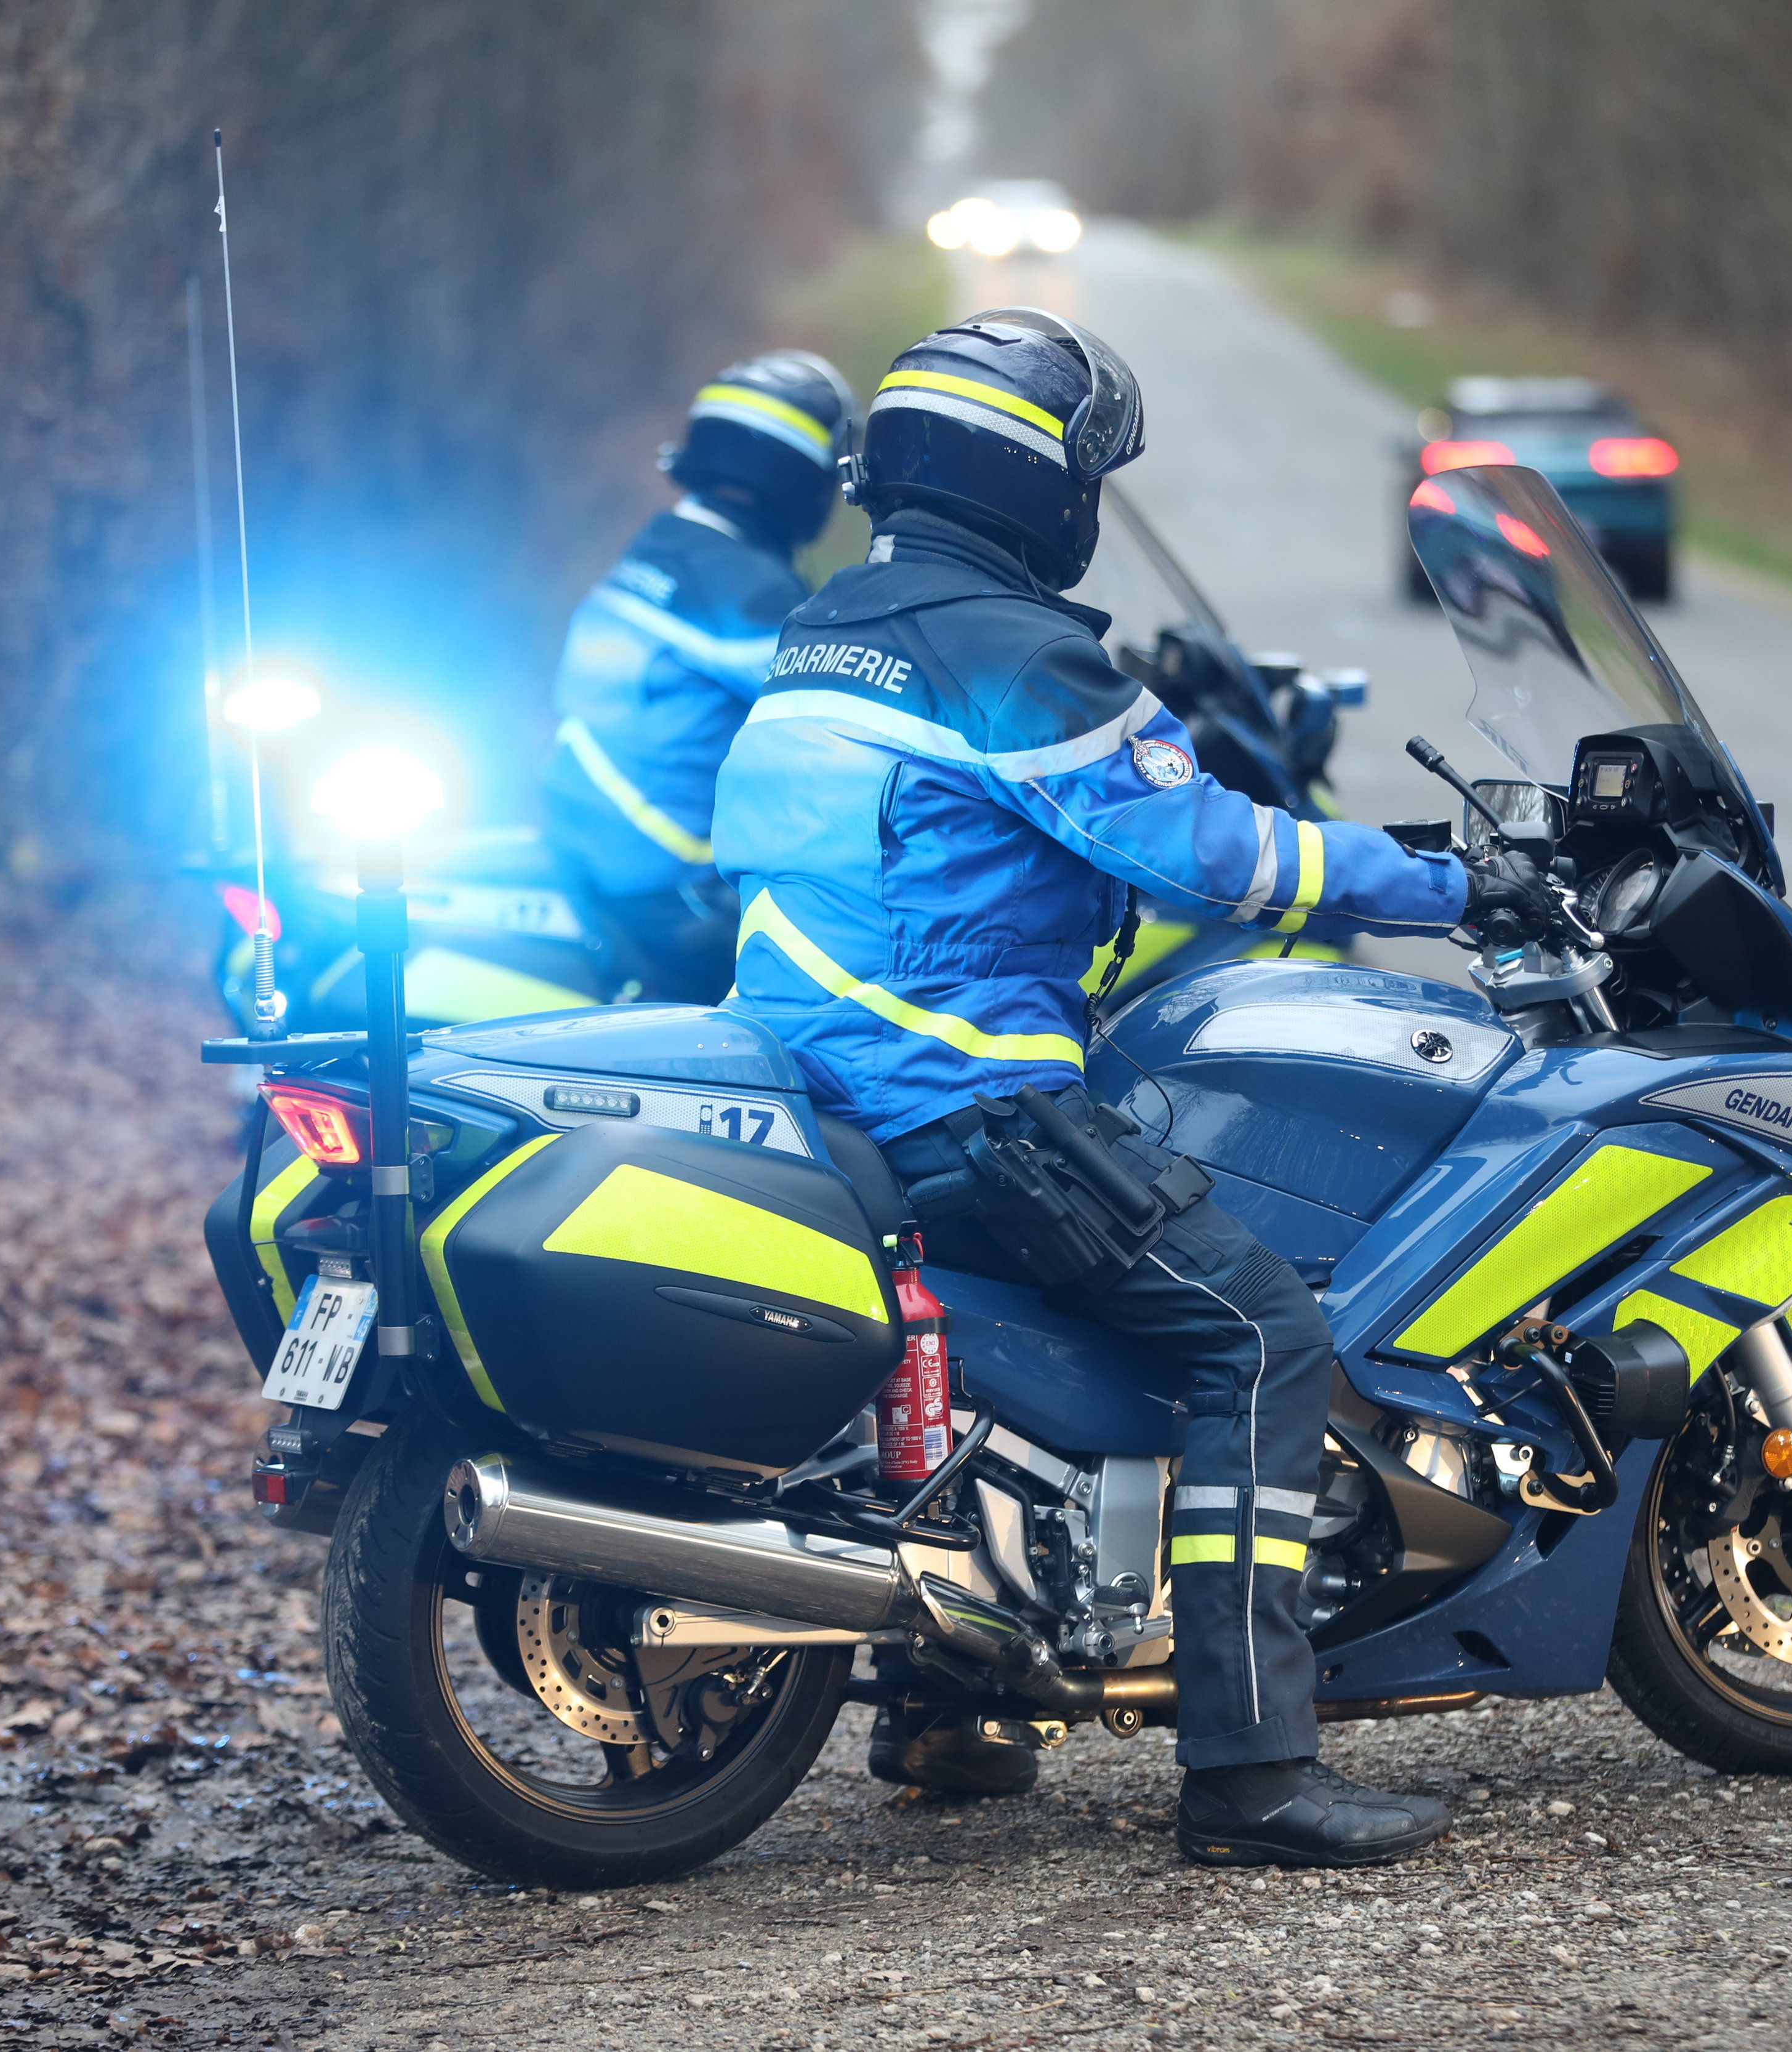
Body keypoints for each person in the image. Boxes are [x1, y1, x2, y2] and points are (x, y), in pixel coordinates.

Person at [712, 308, 1552, 1867]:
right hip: (967, 1105)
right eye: (1088, 473)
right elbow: (1207, 849)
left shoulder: (829, 631)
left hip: (827, 1090)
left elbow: (983, 863)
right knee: (1254, 1330)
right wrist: (1454, 880)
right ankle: (1250, 1774)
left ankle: (949, 1709)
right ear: (1040, 485)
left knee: (987, 1379)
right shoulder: (1011, 652)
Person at [540, 351, 855, 1001]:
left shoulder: (662, 545)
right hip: (666, 892)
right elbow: (840, 721)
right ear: (808, 481)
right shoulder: (749, 593)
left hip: (582, 841)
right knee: (841, 989)